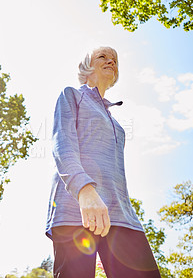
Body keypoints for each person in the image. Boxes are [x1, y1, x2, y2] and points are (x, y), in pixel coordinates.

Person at [46, 47, 161, 278]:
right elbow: (62, 145)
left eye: (115, 60)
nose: (111, 61)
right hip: (75, 208)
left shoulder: (117, 123)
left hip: (121, 215)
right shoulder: (71, 95)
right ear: (87, 66)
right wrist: (85, 191)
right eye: (103, 57)